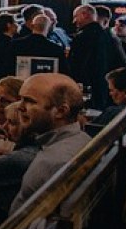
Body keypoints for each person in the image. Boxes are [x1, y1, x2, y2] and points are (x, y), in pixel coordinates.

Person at [10, 73, 90, 210]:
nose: (20, 107)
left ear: (60, 111)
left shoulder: (50, 163)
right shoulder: (84, 139)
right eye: (21, 99)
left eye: (29, 101)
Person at [68, 4, 126, 104]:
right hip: (107, 89)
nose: (74, 21)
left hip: (88, 89)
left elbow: (76, 66)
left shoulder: (82, 37)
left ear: (84, 15)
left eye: (75, 17)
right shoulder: (110, 37)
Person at [0, 13, 19, 87]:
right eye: (15, 22)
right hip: (6, 79)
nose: (17, 25)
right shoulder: (9, 43)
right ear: (8, 25)